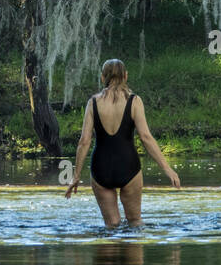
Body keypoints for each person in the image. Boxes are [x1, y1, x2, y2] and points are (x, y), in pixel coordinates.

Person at [64, 58, 180, 226]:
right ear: (125, 76)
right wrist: (167, 169)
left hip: (101, 168)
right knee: (135, 222)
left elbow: (84, 141)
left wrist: (76, 176)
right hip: (128, 166)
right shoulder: (134, 101)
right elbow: (146, 137)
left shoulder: (93, 103)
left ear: (103, 78)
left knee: (111, 226)